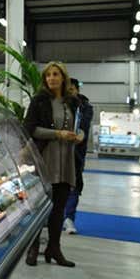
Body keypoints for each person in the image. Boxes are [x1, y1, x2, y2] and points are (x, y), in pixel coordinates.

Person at [23, 61, 83, 268]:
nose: (51, 78)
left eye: (56, 74)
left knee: (58, 209)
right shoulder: (39, 101)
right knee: (40, 206)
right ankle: (33, 247)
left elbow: (80, 126)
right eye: (48, 75)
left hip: (66, 161)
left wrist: (80, 135)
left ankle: (54, 248)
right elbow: (29, 128)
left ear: (63, 77)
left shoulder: (72, 102)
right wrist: (57, 134)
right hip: (45, 159)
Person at [63, 78, 94, 234]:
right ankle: (52, 217)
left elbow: (83, 128)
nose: (69, 92)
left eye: (71, 89)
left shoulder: (85, 107)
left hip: (76, 154)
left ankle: (69, 218)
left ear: (77, 90)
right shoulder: (58, 103)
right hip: (56, 153)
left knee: (73, 185)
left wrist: (78, 136)